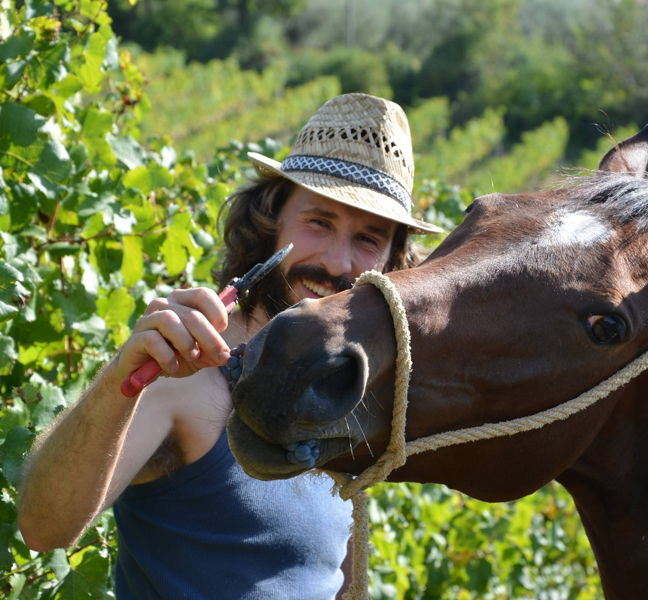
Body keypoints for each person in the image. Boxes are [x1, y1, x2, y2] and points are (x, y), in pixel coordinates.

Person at [17, 93, 442, 600]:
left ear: (390, 263)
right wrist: (119, 382)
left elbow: (335, 578)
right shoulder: (184, 372)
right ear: (270, 221)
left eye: (368, 239)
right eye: (319, 222)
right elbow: (43, 529)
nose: (336, 262)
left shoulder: (345, 396)